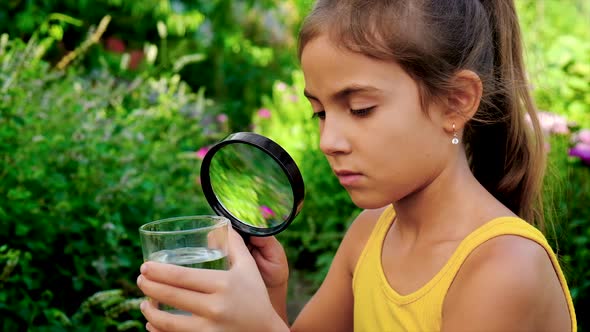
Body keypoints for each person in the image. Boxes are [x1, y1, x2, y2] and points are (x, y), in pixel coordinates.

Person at [136, 0, 578, 331]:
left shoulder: (503, 268)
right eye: (320, 113)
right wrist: (268, 297)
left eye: (361, 108)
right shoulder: (370, 234)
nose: (329, 141)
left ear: (456, 102)